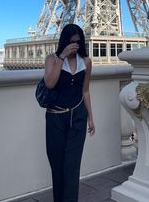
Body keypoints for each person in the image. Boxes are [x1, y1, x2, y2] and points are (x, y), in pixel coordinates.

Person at [44, 23, 95, 202]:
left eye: (78, 42)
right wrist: (62, 55)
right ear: (64, 41)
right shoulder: (52, 59)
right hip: (55, 117)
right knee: (57, 165)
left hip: (78, 117)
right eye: (71, 42)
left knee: (72, 167)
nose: (75, 45)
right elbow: (50, 83)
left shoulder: (86, 62)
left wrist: (91, 118)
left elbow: (85, 91)